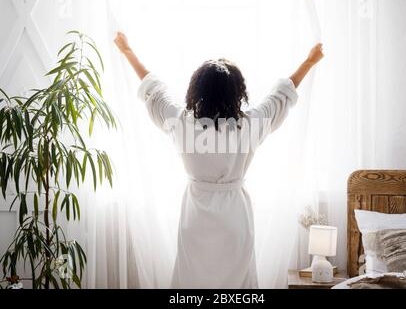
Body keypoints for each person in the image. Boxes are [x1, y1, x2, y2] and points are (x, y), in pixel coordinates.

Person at [114, 32, 324, 288]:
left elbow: (153, 90)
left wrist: (127, 51)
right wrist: (309, 61)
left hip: (196, 218)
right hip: (235, 219)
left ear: (196, 90)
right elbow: (281, 95)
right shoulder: (249, 125)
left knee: (193, 282)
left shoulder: (181, 123)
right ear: (237, 92)